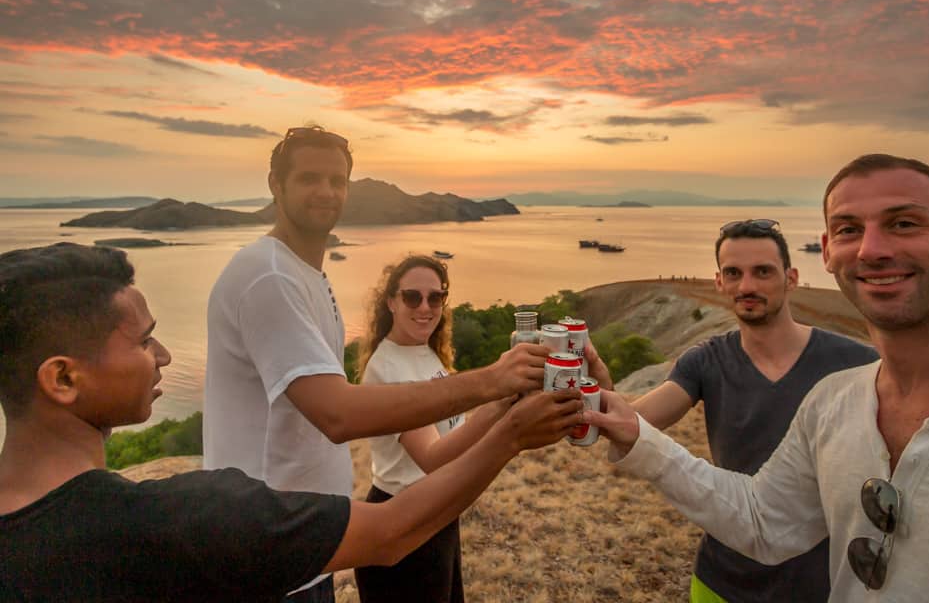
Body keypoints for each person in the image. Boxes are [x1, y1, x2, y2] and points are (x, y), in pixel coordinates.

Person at [0, 243, 582, 602]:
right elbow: (390, 533)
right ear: (63, 379)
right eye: (143, 340)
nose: (163, 356)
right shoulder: (180, 520)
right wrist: (509, 431)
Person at [587, 155, 929, 601]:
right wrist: (614, 415)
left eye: (904, 223)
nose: (872, 249)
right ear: (827, 252)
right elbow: (765, 521)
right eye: (848, 229)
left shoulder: (845, 361)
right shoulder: (833, 402)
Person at [203, 125, 552, 600]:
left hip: (302, 543)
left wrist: (500, 396)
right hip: (267, 550)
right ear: (275, 185)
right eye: (308, 178)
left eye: (337, 180)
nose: (326, 192)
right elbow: (339, 414)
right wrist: (493, 380)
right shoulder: (268, 277)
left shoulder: (302, 276)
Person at [632, 218, 877, 602]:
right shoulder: (705, 362)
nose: (747, 286)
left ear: (791, 278)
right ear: (719, 283)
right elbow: (637, 421)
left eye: (763, 272)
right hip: (720, 580)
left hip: (821, 584)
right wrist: (594, 395)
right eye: (734, 273)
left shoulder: (856, 362)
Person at [353, 255, 507, 602]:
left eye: (435, 297)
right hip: (403, 519)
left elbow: (451, 437)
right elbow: (432, 457)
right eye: (412, 297)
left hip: (435, 513)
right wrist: (499, 404)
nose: (425, 307)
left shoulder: (426, 352)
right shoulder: (387, 367)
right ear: (391, 301)